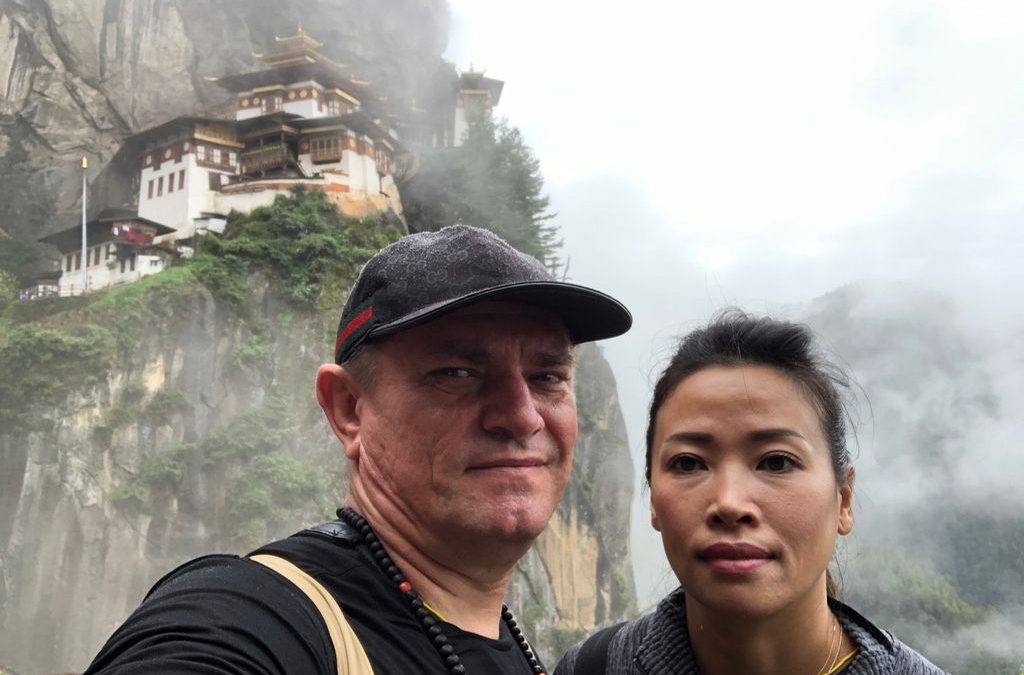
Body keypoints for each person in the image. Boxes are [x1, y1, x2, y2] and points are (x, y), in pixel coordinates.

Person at [85, 225, 632, 675]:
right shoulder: (254, 617)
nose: (521, 415)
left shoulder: (523, 651)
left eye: (547, 375)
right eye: (457, 373)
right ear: (349, 408)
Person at [555, 311, 945, 675]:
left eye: (776, 462)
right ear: (653, 499)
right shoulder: (591, 666)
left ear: (843, 499)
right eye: (689, 463)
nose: (728, 502)